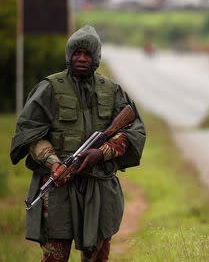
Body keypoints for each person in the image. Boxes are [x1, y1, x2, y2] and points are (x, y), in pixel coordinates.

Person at [10, 25, 146, 262]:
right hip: (59, 188)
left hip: (99, 189)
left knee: (97, 258)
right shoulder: (50, 88)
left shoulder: (112, 90)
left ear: (96, 57)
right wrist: (53, 162)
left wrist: (101, 153)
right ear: (69, 55)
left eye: (87, 54)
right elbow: (29, 133)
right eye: (76, 53)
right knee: (54, 258)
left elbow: (134, 131)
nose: (82, 59)